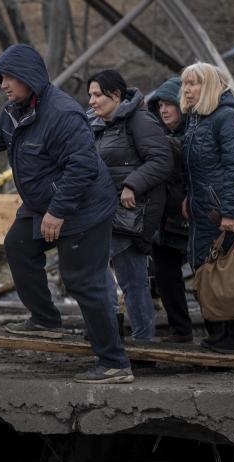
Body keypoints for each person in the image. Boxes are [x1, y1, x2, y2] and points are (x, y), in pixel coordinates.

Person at [0, 44, 132, 383]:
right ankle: (45, 321)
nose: (3, 84)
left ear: (30, 77)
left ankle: (114, 362)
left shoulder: (63, 114)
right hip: (43, 204)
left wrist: (57, 212)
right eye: (1, 78)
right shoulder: (14, 112)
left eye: (10, 77)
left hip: (83, 208)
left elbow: (83, 167)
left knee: (83, 282)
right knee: (18, 244)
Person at [87, 70, 173, 343]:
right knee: (122, 277)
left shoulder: (139, 120)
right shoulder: (98, 124)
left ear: (116, 95)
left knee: (127, 279)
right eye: (90, 94)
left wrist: (132, 185)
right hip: (104, 211)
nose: (91, 101)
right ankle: (120, 334)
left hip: (133, 213)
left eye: (97, 94)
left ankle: (136, 340)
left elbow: (161, 160)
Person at [180, 62, 234, 354]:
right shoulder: (197, 118)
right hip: (204, 207)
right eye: (185, 83)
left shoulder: (226, 117)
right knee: (209, 267)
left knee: (233, 269)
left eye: (194, 83)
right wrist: (190, 195)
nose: (187, 89)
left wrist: (230, 212)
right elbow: (198, 167)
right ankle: (221, 331)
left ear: (210, 85)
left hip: (226, 209)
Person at [146, 76, 194, 343]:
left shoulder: (197, 132)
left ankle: (220, 332)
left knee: (206, 278)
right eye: (160, 105)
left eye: (170, 104)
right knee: (166, 276)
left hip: (193, 216)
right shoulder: (158, 136)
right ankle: (181, 331)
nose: (164, 110)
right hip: (164, 220)